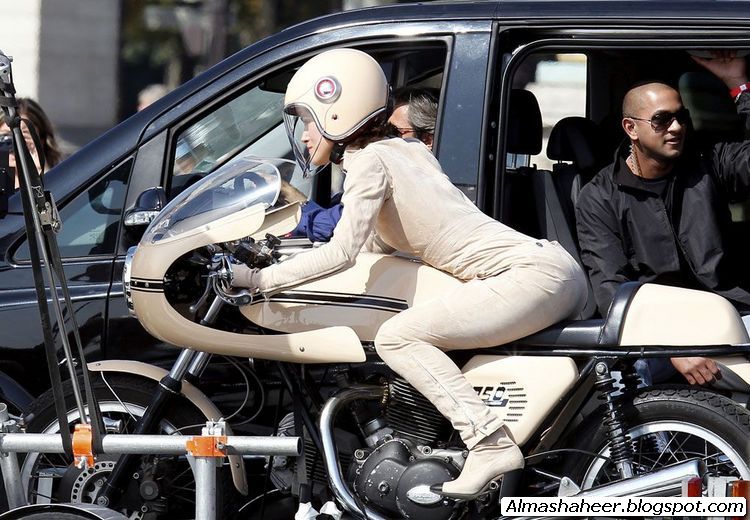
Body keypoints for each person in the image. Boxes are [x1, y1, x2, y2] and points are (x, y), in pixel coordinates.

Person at [230, 48, 587, 497]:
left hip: (526, 275)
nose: (303, 135)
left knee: (397, 338)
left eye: (307, 120)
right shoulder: (405, 150)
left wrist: (259, 280)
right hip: (550, 269)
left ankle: (489, 443)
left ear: (338, 114)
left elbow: (342, 251)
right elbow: (379, 241)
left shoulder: (368, 162)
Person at [575, 51, 750, 386]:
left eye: (681, 117)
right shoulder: (599, 197)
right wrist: (667, 346)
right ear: (631, 128)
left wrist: (739, 87)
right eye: (662, 120)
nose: (677, 127)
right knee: (625, 378)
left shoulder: (708, 162)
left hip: (731, 315)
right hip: (658, 330)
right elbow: (611, 289)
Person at [287, 86, 439, 241]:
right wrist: (290, 196)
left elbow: (335, 225)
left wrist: (285, 202)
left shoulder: (417, 185)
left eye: (395, 132)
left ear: (427, 140)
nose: (385, 139)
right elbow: (335, 213)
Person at [0, 97, 63, 188]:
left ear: (41, 141)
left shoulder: (61, 177)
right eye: (6, 135)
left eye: (23, 135)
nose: (14, 142)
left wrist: (38, 172)